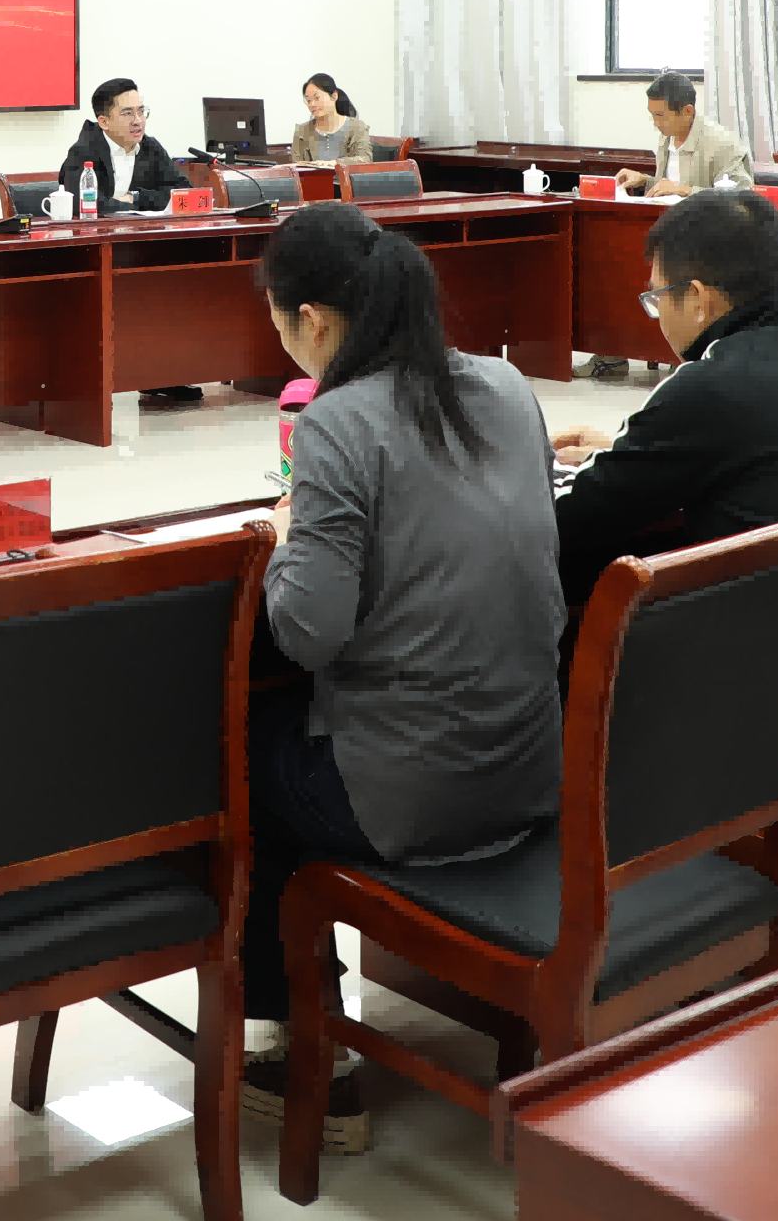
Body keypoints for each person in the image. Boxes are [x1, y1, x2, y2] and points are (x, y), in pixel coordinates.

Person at [240, 203, 563, 1153]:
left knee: (238, 760)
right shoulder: (505, 385)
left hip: (411, 797)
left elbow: (307, 634)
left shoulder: (336, 422)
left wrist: (282, 543)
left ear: (314, 322)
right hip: (529, 771)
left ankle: (302, 1050)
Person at [549, 188, 778, 607]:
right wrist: (633, 453)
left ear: (697, 299)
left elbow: (564, 522)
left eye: (657, 298)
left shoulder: (709, 385)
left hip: (772, 637)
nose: (658, 316)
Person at [59, 77, 181, 212]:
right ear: (104, 122)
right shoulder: (83, 152)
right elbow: (82, 202)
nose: (138, 121)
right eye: (127, 113)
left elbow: (182, 193)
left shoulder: (151, 148)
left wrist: (135, 198)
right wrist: (133, 207)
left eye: (141, 111)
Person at [619, 72, 751, 196]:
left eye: (660, 115)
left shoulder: (725, 144)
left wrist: (684, 190)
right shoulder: (666, 137)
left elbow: (740, 196)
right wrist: (644, 181)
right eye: (652, 115)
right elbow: (669, 189)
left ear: (688, 111)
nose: (656, 123)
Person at [289, 73, 374, 164]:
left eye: (317, 98)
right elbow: (296, 165)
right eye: (308, 100)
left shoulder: (357, 127)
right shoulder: (302, 131)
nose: (312, 104)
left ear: (334, 96)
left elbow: (365, 159)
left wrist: (335, 163)